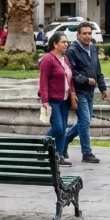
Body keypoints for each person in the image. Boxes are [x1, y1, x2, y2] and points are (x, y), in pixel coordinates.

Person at [64, 21, 109, 163]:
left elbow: (97, 70)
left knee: (84, 121)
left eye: (89, 33)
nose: (87, 36)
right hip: (79, 92)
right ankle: (87, 153)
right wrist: (84, 80)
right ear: (78, 35)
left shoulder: (92, 48)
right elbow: (71, 72)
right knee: (84, 122)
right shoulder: (72, 50)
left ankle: (64, 141)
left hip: (90, 91)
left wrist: (103, 88)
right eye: (84, 33)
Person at [38, 32, 77, 165]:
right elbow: (43, 81)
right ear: (55, 44)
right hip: (53, 100)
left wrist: (73, 94)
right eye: (63, 42)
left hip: (65, 100)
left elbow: (70, 80)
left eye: (67, 42)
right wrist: (45, 101)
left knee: (63, 128)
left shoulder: (65, 59)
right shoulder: (48, 59)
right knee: (58, 128)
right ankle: (42, 145)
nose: (66, 44)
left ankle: (59, 155)